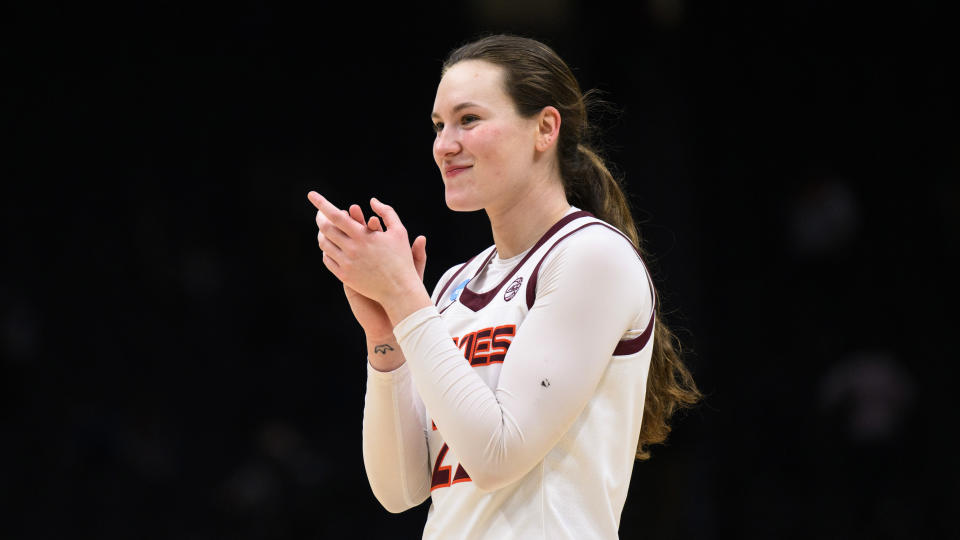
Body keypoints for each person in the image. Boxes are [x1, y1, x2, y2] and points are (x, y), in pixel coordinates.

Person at [307, 34, 701, 539]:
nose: (445, 145)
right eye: (439, 125)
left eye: (469, 120)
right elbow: (399, 489)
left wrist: (405, 297)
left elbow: (497, 455)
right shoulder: (454, 284)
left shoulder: (590, 256)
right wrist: (385, 337)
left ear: (545, 128)